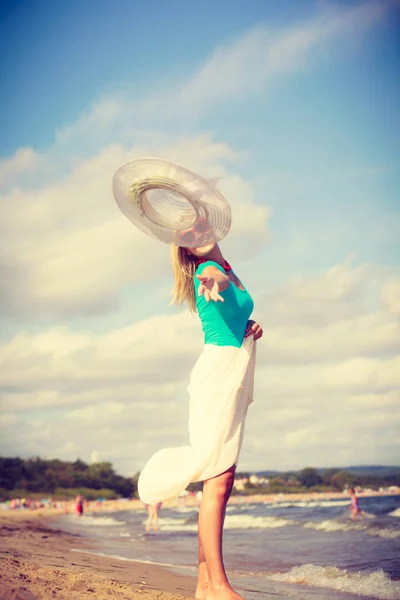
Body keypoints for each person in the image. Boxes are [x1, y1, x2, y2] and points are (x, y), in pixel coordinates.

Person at [139, 241, 263, 600]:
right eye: (190, 235)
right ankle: (220, 588)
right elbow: (213, 281)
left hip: (232, 372)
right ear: (190, 252)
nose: (199, 234)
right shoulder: (209, 272)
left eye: (200, 225)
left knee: (221, 481)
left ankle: (204, 586)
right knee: (218, 479)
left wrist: (249, 325)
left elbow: (233, 311)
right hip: (217, 376)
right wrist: (212, 282)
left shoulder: (227, 267)